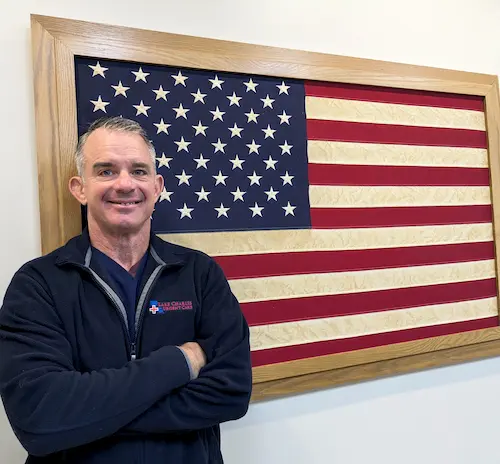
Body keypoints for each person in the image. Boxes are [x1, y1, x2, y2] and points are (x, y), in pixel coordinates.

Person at [0, 117, 253, 463]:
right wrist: (181, 360)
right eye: (105, 171)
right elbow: (40, 418)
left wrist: (88, 414)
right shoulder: (37, 285)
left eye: (138, 171)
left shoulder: (200, 274)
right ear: (79, 188)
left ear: (158, 186)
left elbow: (232, 392)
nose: (124, 184)